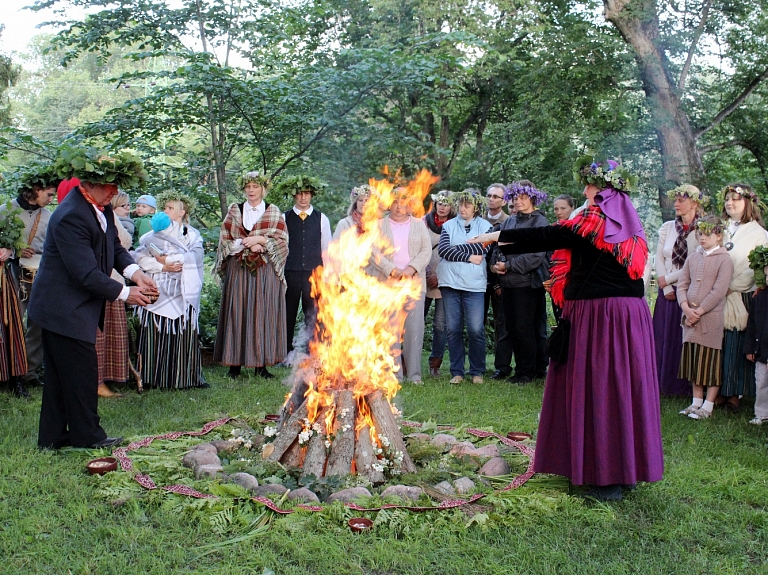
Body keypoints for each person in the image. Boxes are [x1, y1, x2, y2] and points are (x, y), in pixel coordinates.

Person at [471, 157, 663, 501]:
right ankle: (625, 471)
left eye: (589, 186)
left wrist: (495, 235)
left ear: (602, 191)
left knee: (602, 390)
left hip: (601, 317)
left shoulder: (594, 219)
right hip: (627, 318)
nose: (585, 191)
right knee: (622, 389)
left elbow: (550, 234)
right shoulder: (629, 225)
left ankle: (607, 479)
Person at [30, 147, 156, 449]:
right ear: (88, 183)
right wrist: (127, 293)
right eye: (108, 185)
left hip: (72, 308)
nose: (114, 191)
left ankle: (53, 437)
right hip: (61, 309)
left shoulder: (101, 208)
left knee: (63, 378)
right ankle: (88, 437)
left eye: (116, 185)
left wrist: (136, 273)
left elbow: (114, 248)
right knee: (81, 375)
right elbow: (85, 273)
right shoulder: (71, 214)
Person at [215, 171, 289, 379]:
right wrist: (244, 243)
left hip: (264, 270)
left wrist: (262, 242)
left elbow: (282, 242)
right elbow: (225, 240)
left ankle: (261, 365)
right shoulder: (234, 210)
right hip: (238, 268)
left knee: (262, 313)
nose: (251, 190)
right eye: (248, 187)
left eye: (255, 187)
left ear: (263, 189)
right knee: (237, 311)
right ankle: (234, 364)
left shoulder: (273, 212)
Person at [134, 193, 207, 389]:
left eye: (170, 208)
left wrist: (170, 259)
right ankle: (151, 377)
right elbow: (139, 256)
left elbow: (197, 256)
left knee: (183, 333)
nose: (165, 211)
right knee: (154, 332)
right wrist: (162, 266)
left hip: (183, 289)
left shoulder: (192, 235)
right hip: (158, 286)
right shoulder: (150, 236)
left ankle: (183, 378)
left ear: (182, 212)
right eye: (164, 208)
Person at [5, 165, 57, 394]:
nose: (51, 199)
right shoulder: (6, 211)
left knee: (37, 321)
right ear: (35, 190)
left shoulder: (48, 217)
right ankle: (8, 371)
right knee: (11, 321)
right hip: (12, 272)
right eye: (49, 194)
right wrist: (16, 250)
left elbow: (54, 246)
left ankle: (30, 372)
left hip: (38, 272)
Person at [370, 191, 432, 383]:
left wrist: (412, 268)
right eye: (395, 202)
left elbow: (426, 250)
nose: (399, 206)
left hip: (413, 283)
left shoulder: (419, 225)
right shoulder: (380, 225)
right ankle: (394, 375)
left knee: (414, 329)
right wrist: (392, 270)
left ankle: (414, 375)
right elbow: (373, 252)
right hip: (388, 284)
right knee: (391, 330)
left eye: (403, 202)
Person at [491, 181, 549, 384]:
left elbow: (536, 255)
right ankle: (520, 370)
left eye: (523, 197)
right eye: (516, 198)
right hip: (508, 284)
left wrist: (510, 265)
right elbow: (498, 246)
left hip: (528, 284)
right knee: (513, 328)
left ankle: (528, 372)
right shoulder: (510, 222)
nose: (519, 201)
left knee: (526, 329)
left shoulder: (540, 222)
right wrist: (496, 265)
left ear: (532, 198)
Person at [676, 217, 733, 420]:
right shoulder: (693, 257)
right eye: (700, 234)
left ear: (719, 236)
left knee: (709, 361)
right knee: (694, 360)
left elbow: (719, 291)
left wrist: (699, 311)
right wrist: (685, 307)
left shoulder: (724, 259)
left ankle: (708, 405)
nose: (702, 238)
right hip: (690, 319)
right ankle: (695, 402)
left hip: (710, 319)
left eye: (708, 234)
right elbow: (682, 284)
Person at [652, 185, 706, 397]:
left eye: (681, 200)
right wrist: (664, 285)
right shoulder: (667, 227)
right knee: (663, 336)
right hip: (667, 291)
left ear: (694, 203)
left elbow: (695, 261)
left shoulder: (702, 229)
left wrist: (670, 280)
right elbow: (659, 256)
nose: (676, 204)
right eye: (675, 200)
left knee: (682, 337)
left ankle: (682, 387)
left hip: (689, 289)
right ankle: (660, 383)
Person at [719, 183, 768, 412]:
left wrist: (731, 286)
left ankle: (735, 393)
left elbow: (754, 268)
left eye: (735, 199)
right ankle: (716, 389)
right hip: (716, 293)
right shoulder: (720, 227)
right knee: (718, 344)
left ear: (748, 203)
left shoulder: (759, 234)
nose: (729, 203)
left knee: (736, 343)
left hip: (739, 294)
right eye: (727, 199)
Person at [437, 189, 493, 385]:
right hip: (450, 283)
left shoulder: (486, 226)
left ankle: (477, 370)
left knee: (476, 329)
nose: (462, 208)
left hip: (474, 285)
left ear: (475, 207)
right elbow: (443, 250)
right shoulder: (449, 226)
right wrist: (469, 256)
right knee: (453, 328)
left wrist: (456, 249)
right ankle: (457, 371)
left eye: (467, 205)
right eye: (460, 204)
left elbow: (482, 247)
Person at [278, 175, 331, 353]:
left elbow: (327, 249)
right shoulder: (284, 218)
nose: (303, 197)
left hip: (314, 274)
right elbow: (279, 247)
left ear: (312, 195)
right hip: (290, 273)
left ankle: (312, 352)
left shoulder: (321, 218)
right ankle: (283, 351)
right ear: (294, 195)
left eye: (307, 194)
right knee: (287, 313)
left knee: (313, 314)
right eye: (300, 194)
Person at [483, 183, 513, 380]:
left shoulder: (509, 222)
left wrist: (498, 281)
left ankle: (502, 367)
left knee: (503, 324)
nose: (492, 199)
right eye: (489, 195)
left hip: (500, 279)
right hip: (477, 280)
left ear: (504, 201)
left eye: (496, 196)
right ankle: (477, 365)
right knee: (477, 323)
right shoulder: (477, 220)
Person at [423, 190, 455, 377]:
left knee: (440, 324)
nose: (442, 207)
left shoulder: (455, 225)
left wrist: (439, 275)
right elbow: (416, 247)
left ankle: (435, 363)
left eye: (446, 203)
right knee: (416, 321)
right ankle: (408, 359)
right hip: (423, 277)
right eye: (440, 203)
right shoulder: (422, 222)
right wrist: (428, 273)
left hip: (444, 279)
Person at [744, 245, 768, 425]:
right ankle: (761, 413)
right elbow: (752, 324)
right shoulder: (759, 298)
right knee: (761, 382)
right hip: (762, 350)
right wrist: (751, 347)